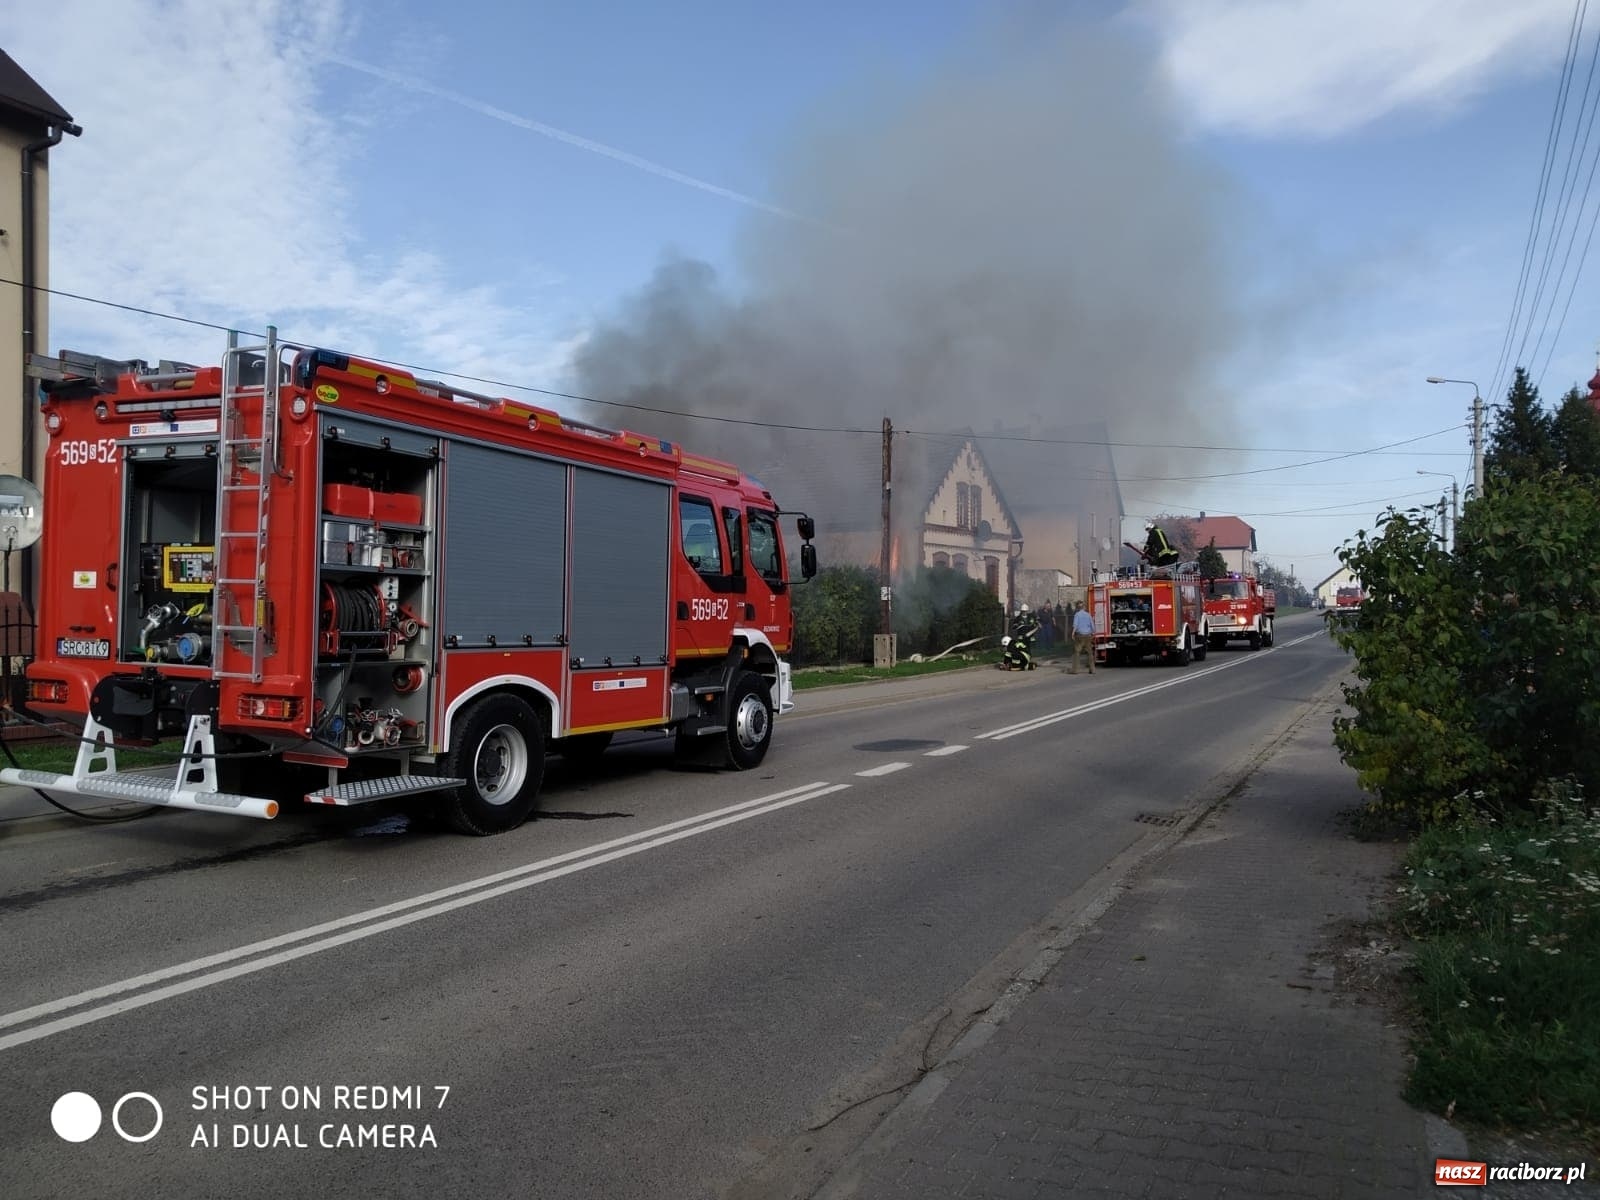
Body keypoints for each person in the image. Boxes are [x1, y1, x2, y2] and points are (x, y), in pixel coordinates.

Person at [1004, 604, 1040, 670]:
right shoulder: (1018, 618)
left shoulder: (1030, 617)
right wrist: (1017, 625)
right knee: (1021, 648)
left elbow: (1035, 624)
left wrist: (1037, 624)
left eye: (1025, 611)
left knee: (1029, 648)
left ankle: (1028, 660)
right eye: (1023, 611)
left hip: (1029, 636)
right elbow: (1014, 627)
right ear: (1021, 611)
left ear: (1027, 611)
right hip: (1021, 636)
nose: (1024, 612)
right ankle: (1022, 661)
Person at [1070, 600, 1096, 675]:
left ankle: (1075, 670)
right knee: (1090, 653)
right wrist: (1093, 633)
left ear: (1077, 607)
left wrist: (1072, 633)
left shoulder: (1077, 615)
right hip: (1088, 635)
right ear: (1084, 607)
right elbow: (1092, 625)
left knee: (1077, 652)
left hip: (1080, 636)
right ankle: (1092, 669)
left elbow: (1075, 625)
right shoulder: (1088, 615)